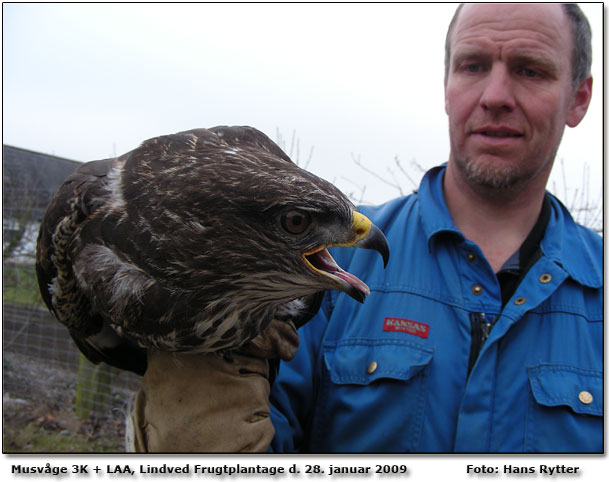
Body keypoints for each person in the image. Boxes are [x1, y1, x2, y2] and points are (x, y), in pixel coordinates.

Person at [130, 3, 602, 453]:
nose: (495, 96)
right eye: (473, 66)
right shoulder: (322, 257)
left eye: (530, 70)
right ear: (446, 86)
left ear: (578, 99)